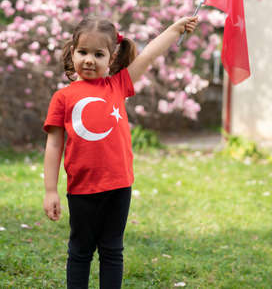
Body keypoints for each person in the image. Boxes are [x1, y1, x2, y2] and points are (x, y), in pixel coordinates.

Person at [43, 15, 198, 289]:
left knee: (112, 250)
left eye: (98, 54)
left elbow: (149, 54)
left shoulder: (118, 86)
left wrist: (175, 29)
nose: (89, 60)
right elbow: (54, 145)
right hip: (81, 189)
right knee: (80, 251)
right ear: (72, 52)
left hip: (118, 186)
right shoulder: (62, 98)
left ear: (111, 58)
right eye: (83, 52)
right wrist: (50, 190)